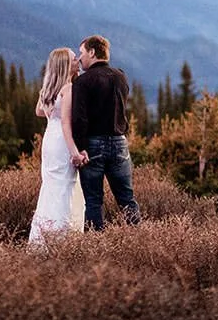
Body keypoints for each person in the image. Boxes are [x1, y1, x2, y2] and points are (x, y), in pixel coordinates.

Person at [71, 33, 141, 229]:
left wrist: (80, 148)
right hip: (119, 142)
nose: (80, 58)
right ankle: (139, 239)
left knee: (93, 201)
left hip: (93, 144)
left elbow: (79, 119)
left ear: (92, 52)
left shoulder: (83, 82)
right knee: (126, 198)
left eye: (82, 53)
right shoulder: (120, 76)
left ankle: (96, 244)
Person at [27, 47, 86, 243]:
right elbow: (66, 123)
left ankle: (43, 235)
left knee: (51, 186)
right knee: (65, 186)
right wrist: (75, 152)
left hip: (49, 139)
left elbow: (38, 111)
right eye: (74, 58)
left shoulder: (48, 88)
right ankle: (61, 237)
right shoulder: (68, 89)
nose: (78, 60)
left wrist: (53, 112)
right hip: (62, 141)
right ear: (66, 65)